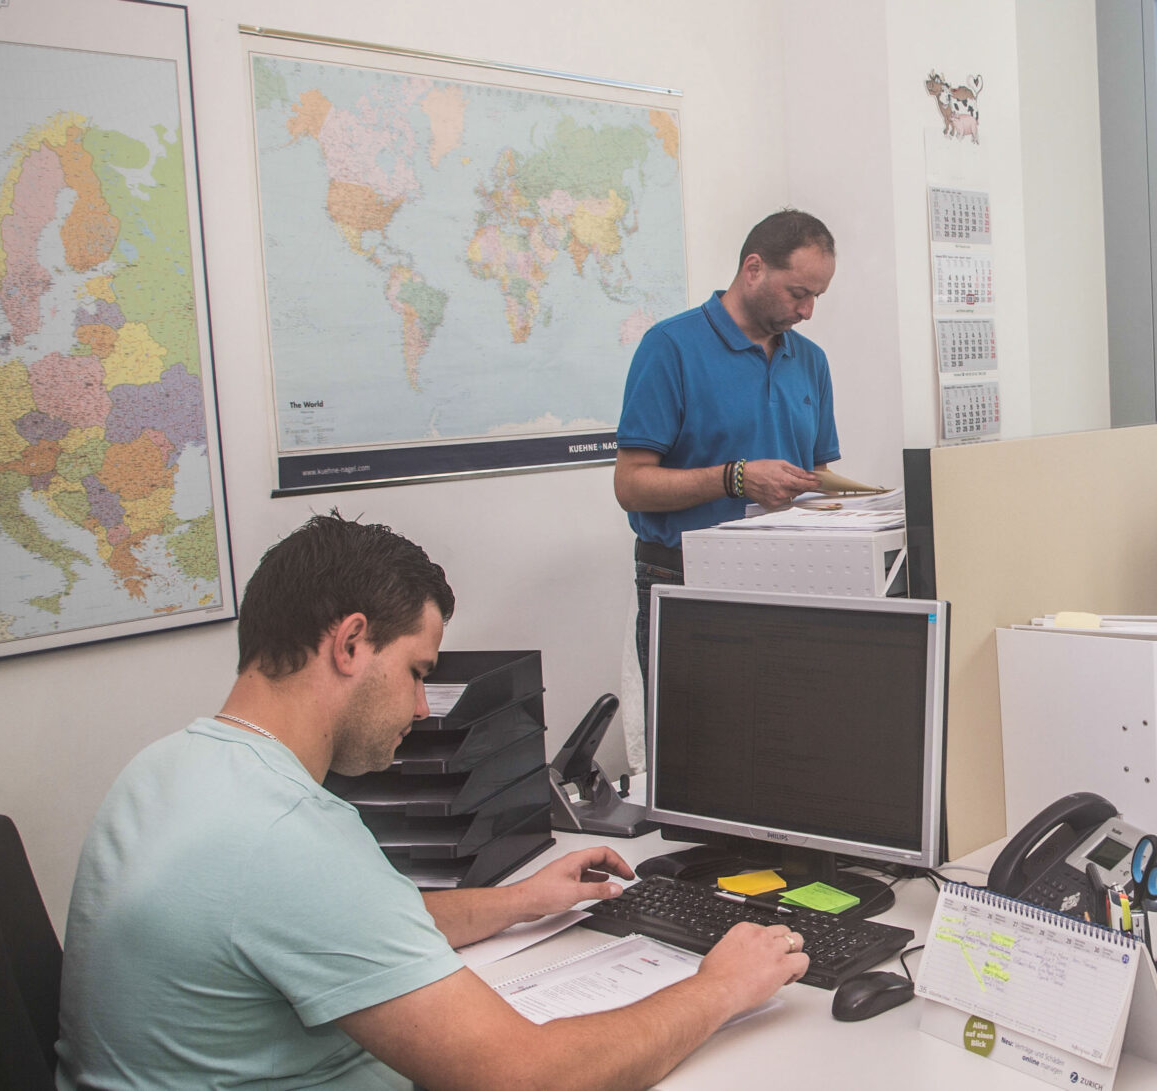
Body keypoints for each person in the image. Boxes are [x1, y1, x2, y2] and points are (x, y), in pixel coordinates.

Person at [55, 514, 808, 1091]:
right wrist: (715, 990)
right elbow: (526, 1075)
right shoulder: (285, 838)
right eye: (417, 671)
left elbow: (354, 920)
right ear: (350, 643)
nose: (422, 707)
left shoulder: (169, 769)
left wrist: (518, 901)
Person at [614, 210, 841, 675]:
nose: (807, 312)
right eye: (798, 294)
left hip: (790, 573)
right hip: (686, 574)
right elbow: (631, 485)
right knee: (696, 737)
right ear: (753, 269)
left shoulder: (810, 361)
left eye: (817, 297)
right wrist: (735, 478)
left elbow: (818, 477)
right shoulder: (670, 347)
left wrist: (857, 504)